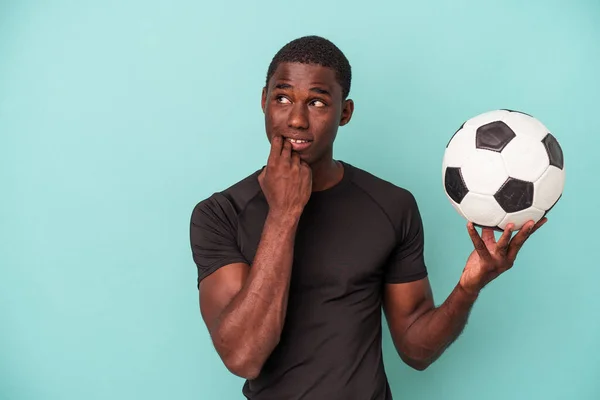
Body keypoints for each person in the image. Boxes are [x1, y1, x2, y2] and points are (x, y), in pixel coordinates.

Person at [189, 35, 547, 400]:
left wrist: (468, 288)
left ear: (345, 113)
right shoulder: (219, 214)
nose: (296, 119)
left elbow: (415, 350)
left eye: (317, 102)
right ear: (264, 101)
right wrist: (284, 214)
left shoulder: (391, 205)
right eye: (282, 98)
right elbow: (243, 357)